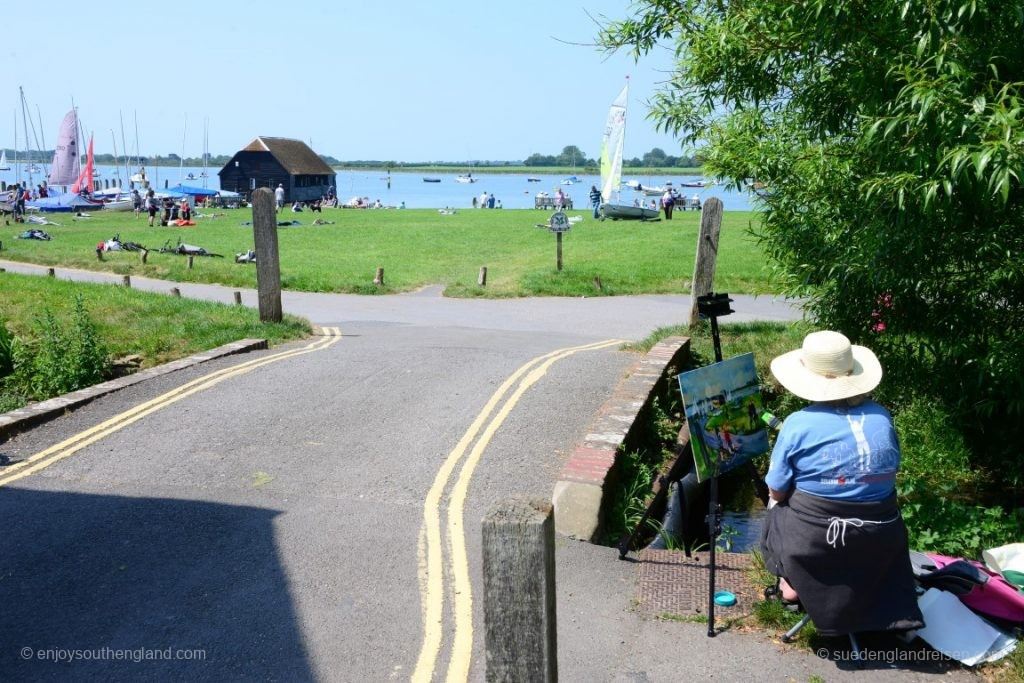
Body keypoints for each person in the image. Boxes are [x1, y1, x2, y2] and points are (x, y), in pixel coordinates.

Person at [760, 330, 924, 637]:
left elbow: (777, 490)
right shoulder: (881, 416)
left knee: (776, 505)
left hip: (818, 541)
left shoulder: (797, 423)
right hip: (880, 539)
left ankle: (792, 582)